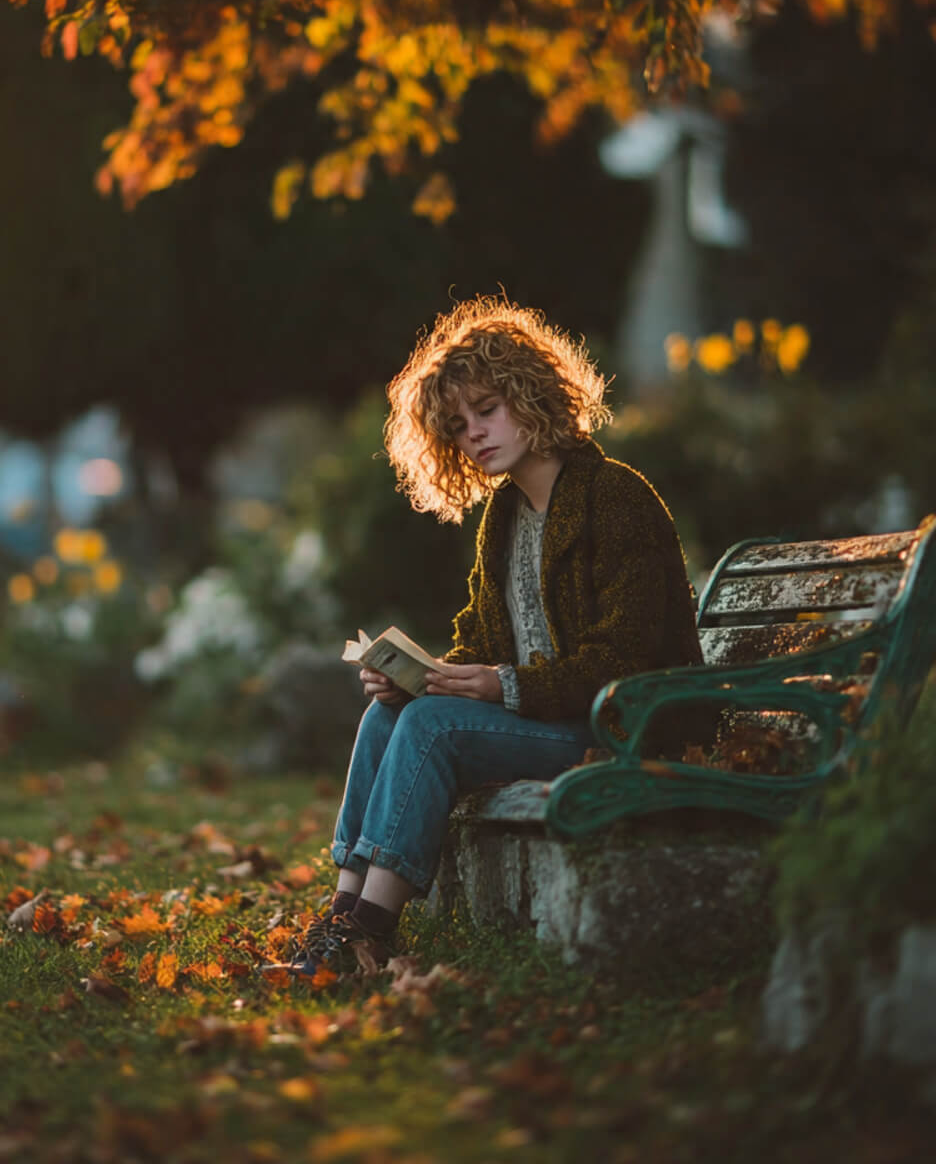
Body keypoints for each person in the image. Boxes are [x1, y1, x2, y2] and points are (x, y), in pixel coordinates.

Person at [278, 293, 704, 977]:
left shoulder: (615, 497)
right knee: (390, 717)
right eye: (457, 423)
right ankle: (339, 916)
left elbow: (624, 659)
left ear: (533, 397)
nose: (473, 433)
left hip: (617, 727)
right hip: (550, 719)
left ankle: (370, 935)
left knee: (435, 728)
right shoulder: (503, 518)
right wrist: (419, 675)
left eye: (487, 410)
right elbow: (480, 640)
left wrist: (498, 684)